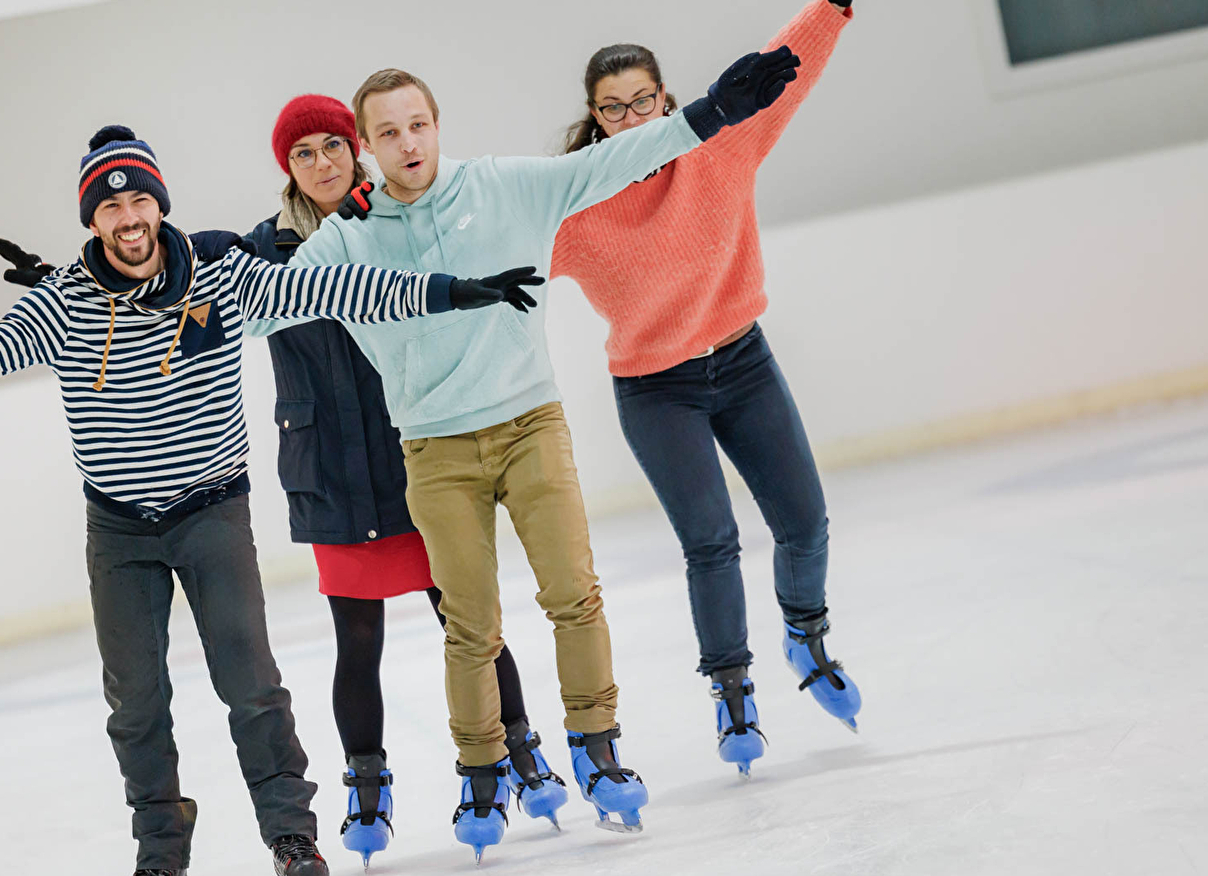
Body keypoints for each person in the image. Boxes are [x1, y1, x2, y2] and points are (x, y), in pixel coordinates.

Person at [0, 125, 540, 876]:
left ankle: (291, 838)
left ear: (159, 207)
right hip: (119, 529)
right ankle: (161, 849)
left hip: (212, 512)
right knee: (135, 703)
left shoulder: (221, 278)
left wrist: (451, 291)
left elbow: (333, 285)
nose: (128, 218)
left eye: (139, 201)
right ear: (92, 219)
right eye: (109, 207)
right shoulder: (61, 304)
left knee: (251, 687)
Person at [0, 95, 567, 870]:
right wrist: (77, 280)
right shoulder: (258, 250)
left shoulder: (398, 221)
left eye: (334, 146)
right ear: (286, 166)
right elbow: (167, 264)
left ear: (356, 149)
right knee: (354, 640)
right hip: (328, 467)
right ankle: (365, 787)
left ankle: (514, 750)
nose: (322, 163)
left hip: (414, 450)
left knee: (465, 617)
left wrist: (462, 287)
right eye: (304, 153)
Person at [261, 43, 803, 859]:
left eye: (418, 125)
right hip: (435, 450)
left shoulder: (504, 186)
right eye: (388, 133)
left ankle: (598, 746)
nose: (408, 144)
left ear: (438, 127)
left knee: (573, 594)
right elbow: (256, 306)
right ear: (365, 146)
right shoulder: (345, 242)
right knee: (469, 625)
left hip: (528, 426)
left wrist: (715, 112)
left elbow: (622, 154)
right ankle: (481, 771)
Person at [551, 0, 864, 777]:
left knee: (805, 521)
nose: (629, 118)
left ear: (667, 100)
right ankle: (732, 695)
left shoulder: (721, 145)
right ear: (594, 118)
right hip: (656, 389)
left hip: (742, 359)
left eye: (642, 101)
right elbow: (484, 232)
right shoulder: (576, 208)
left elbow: (783, 66)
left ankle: (806, 634)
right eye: (611, 108)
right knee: (712, 544)